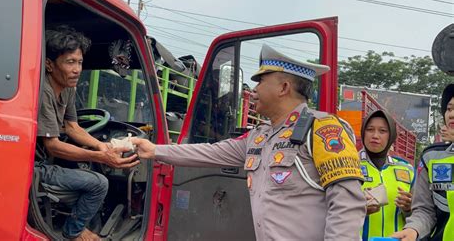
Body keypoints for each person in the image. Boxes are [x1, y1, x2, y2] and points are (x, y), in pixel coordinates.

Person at [131, 44, 367, 240]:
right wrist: (154, 150)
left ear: (284, 88)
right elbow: (211, 153)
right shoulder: (259, 136)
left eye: (261, 82)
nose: (253, 91)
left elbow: (347, 204)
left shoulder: (323, 129)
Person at [35, 25, 139, 240]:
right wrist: (100, 156)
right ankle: (74, 233)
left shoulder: (68, 88)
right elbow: (52, 145)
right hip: (34, 167)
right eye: (69, 62)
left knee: (89, 173)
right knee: (99, 184)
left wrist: (103, 146)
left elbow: (73, 127)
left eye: (79, 62)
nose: (77, 69)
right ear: (49, 65)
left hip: (44, 161)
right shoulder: (43, 91)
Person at [392, 83, 454, 241]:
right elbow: (425, 210)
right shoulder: (431, 158)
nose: (451, 114)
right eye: (449, 108)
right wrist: (414, 229)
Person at [359, 110, 414, 240]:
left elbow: (423, 214)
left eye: (382, 131)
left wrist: (408, 209)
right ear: (363, 132)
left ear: (391, 136)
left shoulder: (407, 170)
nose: (375, 135)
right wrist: (359, 210)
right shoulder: (349, 166)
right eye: (370, 129)